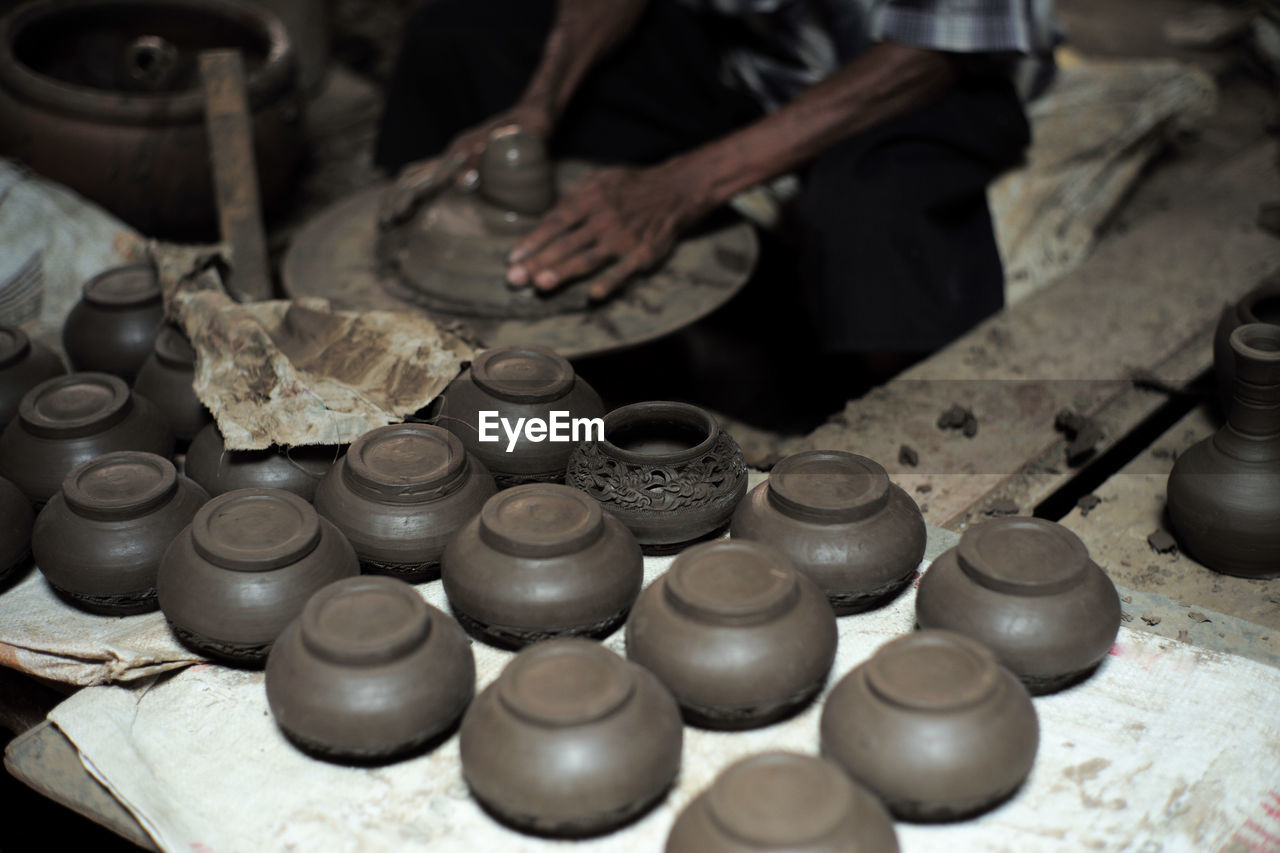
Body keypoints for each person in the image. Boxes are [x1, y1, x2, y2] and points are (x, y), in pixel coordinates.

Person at [375, 0, 1049, 366]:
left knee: (866, 211)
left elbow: (930, 53)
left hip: (908, 74)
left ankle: (882, 443)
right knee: (460, 30)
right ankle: (416, 309)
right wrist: (540, 100)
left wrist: (681, 186)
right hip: (751, 52)